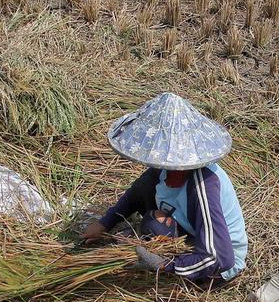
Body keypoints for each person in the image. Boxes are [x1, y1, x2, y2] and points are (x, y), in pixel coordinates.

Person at [82, 92, 248, 284]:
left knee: (155, 234)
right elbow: (136, 194)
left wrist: (166, 264)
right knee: (152, 224)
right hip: (193, 230)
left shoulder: (203, 186)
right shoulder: (164, 169)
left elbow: (219, 258)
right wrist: (105, 223)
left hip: (218, 262)